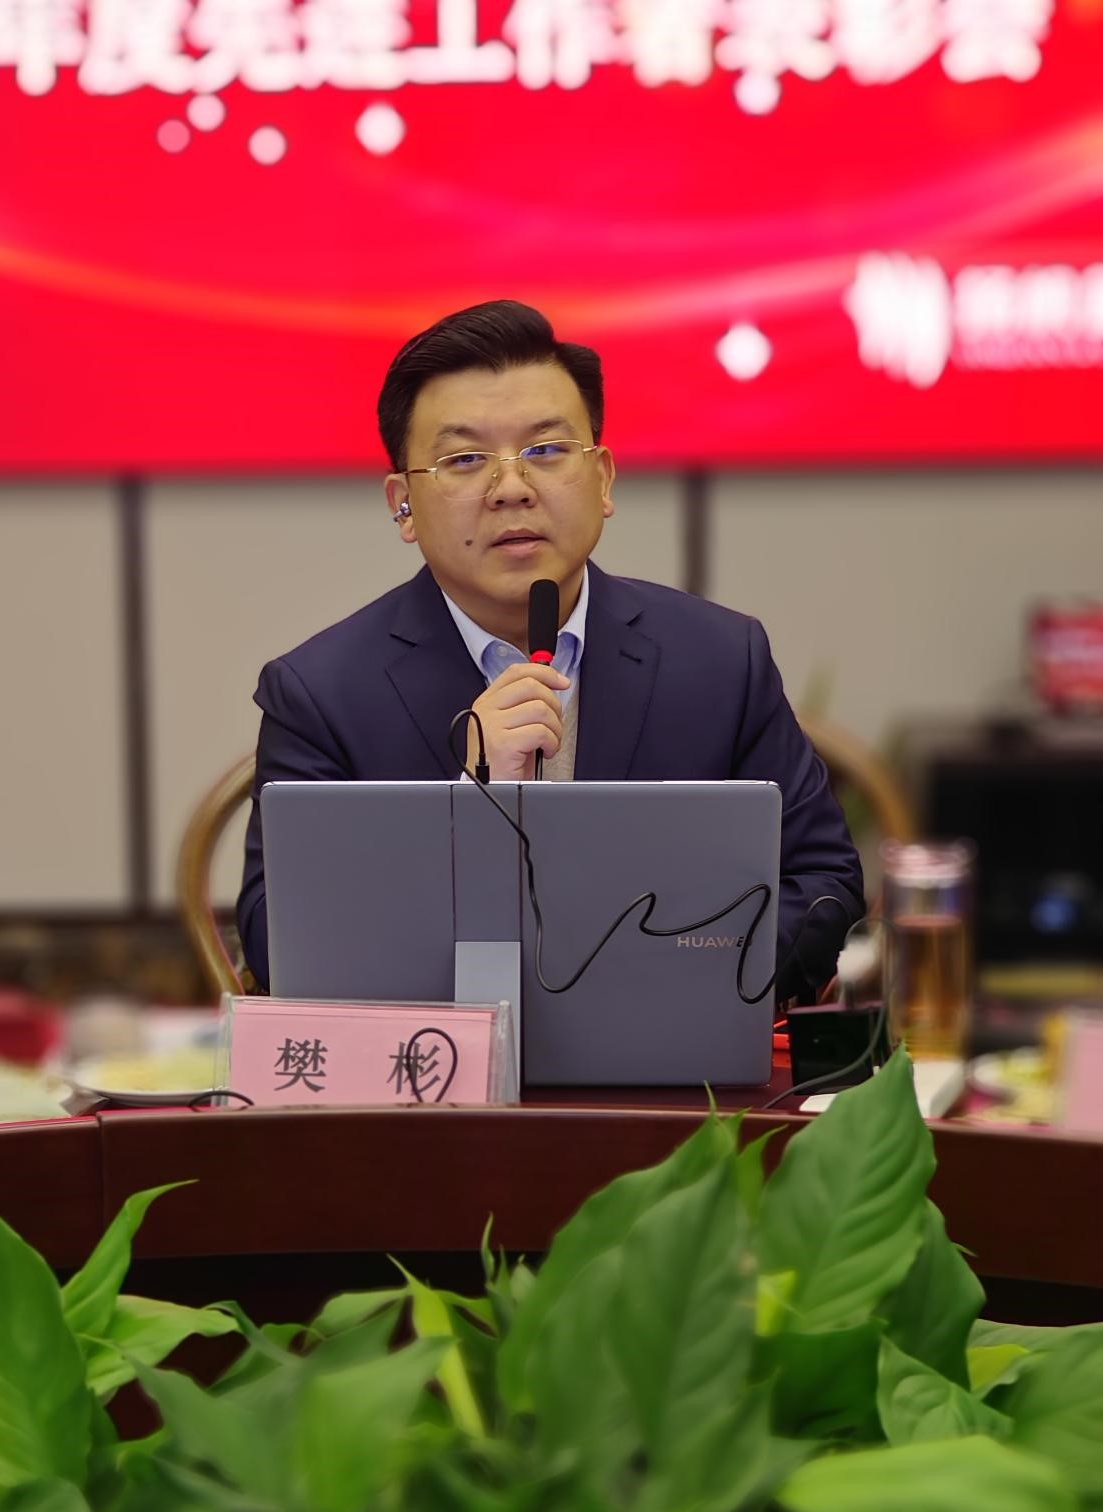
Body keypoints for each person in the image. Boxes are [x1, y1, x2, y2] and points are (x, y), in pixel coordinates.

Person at [238, 300, 863, 998]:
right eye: (465, 459)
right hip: (435, 1063)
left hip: (669, 1054)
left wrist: (656, 986)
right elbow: (277, 939)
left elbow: (823, 883)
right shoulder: (321, 694)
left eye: (545, 451)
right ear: (402, 504)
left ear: (604, 480)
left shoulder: (719, 660)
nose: (511, 488)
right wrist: (466, 803)